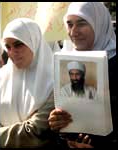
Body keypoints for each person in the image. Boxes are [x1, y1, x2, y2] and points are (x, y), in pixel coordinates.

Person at [48, 2, 117, 148]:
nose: (73, 32)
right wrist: (60, 127)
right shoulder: (63, 60)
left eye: (81, 23)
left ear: (98, 23)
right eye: (69, 24)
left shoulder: (114, 63)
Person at [0, 18, 57, 148]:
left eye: (18, 44)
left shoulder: (54, 82)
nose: (12, 52)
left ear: (34, 42)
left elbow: (35, 132)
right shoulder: (2, 77)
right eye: (7, 47)